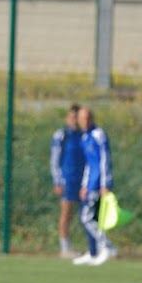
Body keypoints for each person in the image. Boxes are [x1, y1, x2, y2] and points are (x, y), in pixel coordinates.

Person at [72, 106, 117, 266]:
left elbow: (104, 160)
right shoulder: (85, 137)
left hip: (98, 184)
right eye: (82, 119)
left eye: (87, 118)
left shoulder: (98, 135)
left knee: (86, 216)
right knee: (92, 218)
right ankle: (93, 252)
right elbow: (89, 164)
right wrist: (84, 185)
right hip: (90, 184)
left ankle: (107, 246)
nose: (85, 121)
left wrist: (105, 183)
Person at [50, 103, 85, 258]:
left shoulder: (84, 135)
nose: (75, 121)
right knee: (66, 212)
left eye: (77, 118)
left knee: (89, 213)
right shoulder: (61, 135)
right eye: (72, 117)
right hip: (67, 180)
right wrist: (57, 181)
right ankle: (65, 248)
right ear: (67, 118)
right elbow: (55, 160)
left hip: (82, 180)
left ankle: (94, 246)